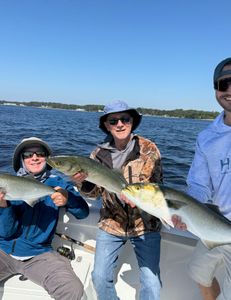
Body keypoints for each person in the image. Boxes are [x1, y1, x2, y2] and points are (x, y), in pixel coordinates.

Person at [72, 100, 163, 300]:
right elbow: (93, 193)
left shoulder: (148, 149)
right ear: (106, 125)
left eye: (125, 119)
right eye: (113, 121)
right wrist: (83, 183)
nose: (120, 124)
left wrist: (140, 201)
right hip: (111, 223)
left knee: (152, 282)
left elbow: (158, 188)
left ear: (132, 122)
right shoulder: (97, 154)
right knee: (99, 277)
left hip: (145, 224)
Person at [0, 137, 89, 300]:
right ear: (21, 159)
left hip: (40, 255)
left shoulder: (58, 183)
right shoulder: (10, 183)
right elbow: (6, 233)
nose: (34, 157)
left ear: (46, 158)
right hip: (3, 252)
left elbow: (83, 213)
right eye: (28, 154)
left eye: (40, 153)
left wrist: (68, 198)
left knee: (72, 289)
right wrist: (3, 206)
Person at [173, 57, 231, 300]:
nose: (229, 90)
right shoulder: (207, 137)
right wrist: (186, 213)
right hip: (217, 225)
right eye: (223, 83)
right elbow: (199, 185)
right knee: (198, 272)